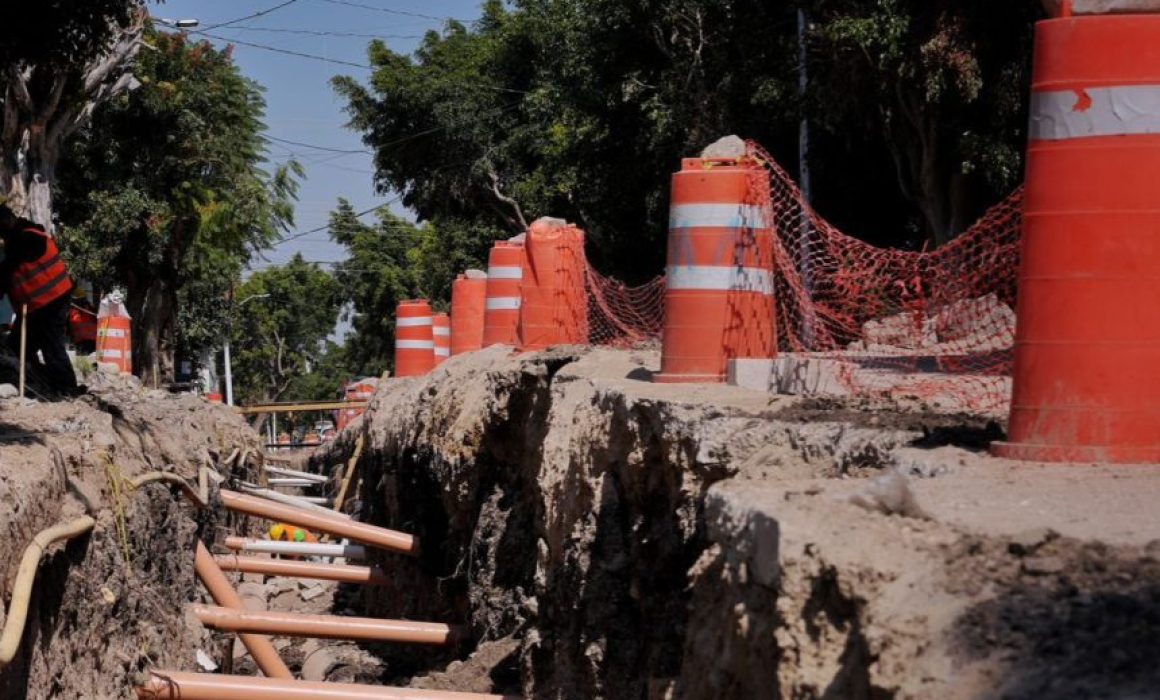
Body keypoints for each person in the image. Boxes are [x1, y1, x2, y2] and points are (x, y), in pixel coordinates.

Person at [0, 204, 81, 396]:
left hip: (51, 301)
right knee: (18, 346)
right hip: (37, 305)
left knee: (52, 346)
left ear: (8, 221)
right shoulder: (22, 236)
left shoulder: (27, 237)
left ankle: (66, 389)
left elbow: (8, 269)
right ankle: (39, 382)